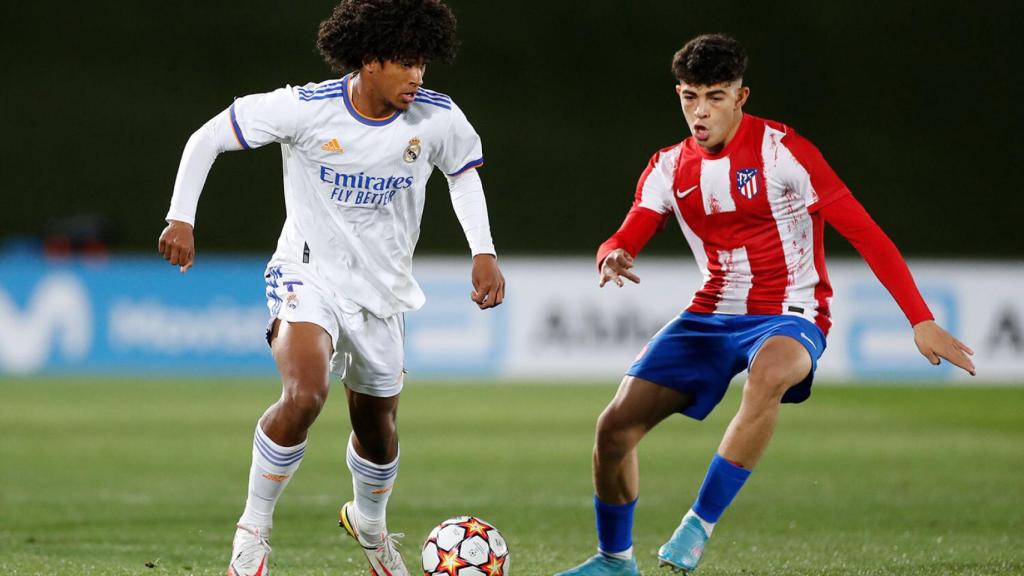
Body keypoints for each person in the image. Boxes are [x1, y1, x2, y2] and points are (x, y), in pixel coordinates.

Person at [556, 33, 975, 576]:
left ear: (741, 96)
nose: (699, 112)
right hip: (709, 314)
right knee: (613, 429)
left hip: (790, 313)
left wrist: (920, 319)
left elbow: (866, 233)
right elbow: (627, 233)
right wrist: (611, 255)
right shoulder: (667, 167)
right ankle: (615, 561)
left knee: (770, 373)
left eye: (714, 96)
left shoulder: (784, 152)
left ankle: (698, 525)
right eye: (688, 97)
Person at [158, 2, 504, 575]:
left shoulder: (437, 118)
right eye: (405, 63)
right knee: (306, 393)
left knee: (378, 431)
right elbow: (209, 136)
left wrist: (484, 252)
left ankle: (369, 524)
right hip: (307, 273)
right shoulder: (306, 108)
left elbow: (464, 176)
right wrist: (181, 217)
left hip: (381, 294)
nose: (418, 77)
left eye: (423, 64)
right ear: (369, 61)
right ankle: (253, 531)